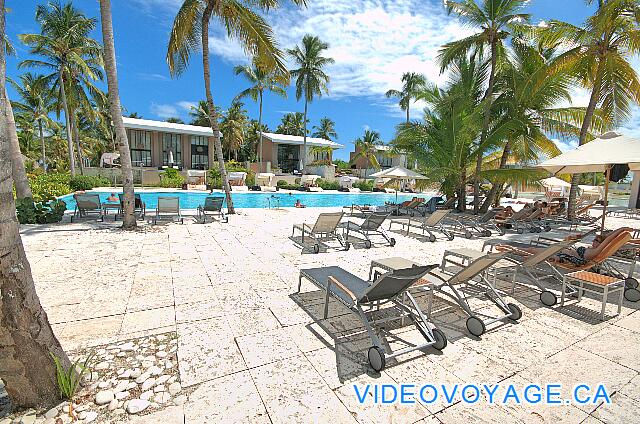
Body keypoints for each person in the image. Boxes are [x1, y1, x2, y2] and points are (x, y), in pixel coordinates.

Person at [497, 227, 632, 266]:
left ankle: (509, 250)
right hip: (562, 249)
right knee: (531, 250)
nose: (594, 242)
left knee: (533, 253)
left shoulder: (595, 251)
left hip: (563, 256)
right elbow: (606, 237)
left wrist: (621, 230)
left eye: (597, 241)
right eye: (595, 240)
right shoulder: (592, 250)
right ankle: (509, 249)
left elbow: (608, 239)